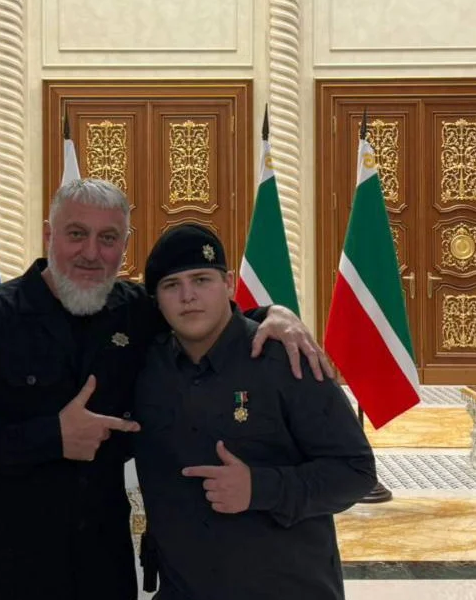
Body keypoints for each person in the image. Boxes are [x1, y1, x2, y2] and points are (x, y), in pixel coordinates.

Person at [0, 178, 332, 600]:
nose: (91, 252)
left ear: (124, 247)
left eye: (108, 238)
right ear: (49, 236)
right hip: (5, 567)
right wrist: (52, 437)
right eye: (77, 234)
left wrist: (273, 314)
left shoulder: (134, 311)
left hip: (102, 566)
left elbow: (201, 314)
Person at [134, 223, 377, 600]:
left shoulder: (287, 360)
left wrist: (259, 488)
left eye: (201, 280)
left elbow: (355, 472)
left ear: (229, 283)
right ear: (157, 301)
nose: (188, 296)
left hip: (285, 587)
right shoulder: (146, 367)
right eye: (171, 285)